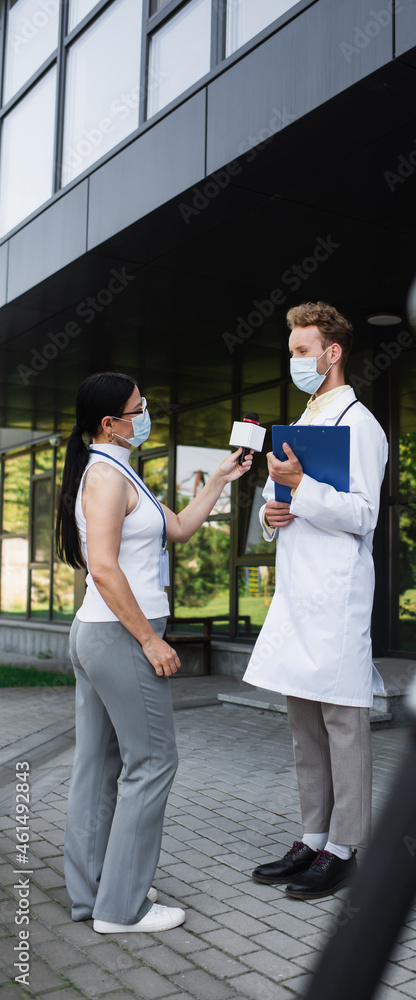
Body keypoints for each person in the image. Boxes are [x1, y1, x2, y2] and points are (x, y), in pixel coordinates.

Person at [55, 372, 251, 934]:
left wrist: (219, 476)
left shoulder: (119, 470)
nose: (147, 416)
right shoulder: (106, 478)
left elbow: (183, 528)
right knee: (153, 763)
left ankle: (95, 893)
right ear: (109, 423)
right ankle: (124, 908)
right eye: (139, 409)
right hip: (119, 637)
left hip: (101, 632)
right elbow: (104, 567)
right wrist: (149, 639)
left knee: (99, 767)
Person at [243, 302, 388, 900]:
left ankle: (346, 848)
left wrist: (302, 487)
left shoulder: (362, 425)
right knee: (303, 725)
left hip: (337, 596)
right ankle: (312, 835)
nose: (295, 359)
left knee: (343, 725)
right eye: (292, 349)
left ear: (332, 353)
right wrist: (274, 513)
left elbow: (362, 514)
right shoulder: (301, 422)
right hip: (297, 594)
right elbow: (282, 508)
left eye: (303, 350)